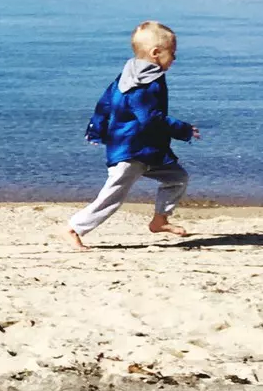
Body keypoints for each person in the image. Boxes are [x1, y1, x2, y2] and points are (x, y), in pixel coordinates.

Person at [65, 21, 200, 250]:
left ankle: (160, 220)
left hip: (146, 149)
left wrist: (97, 128)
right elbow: (151, 118)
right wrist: (183, 129)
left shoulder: (129, 75)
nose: (175, 59)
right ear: (155, 53)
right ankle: (75, 228)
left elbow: (105, 103)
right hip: (130, 151)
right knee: (113, 195)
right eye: (172, 53)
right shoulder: (145, 84)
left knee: (177, 178)